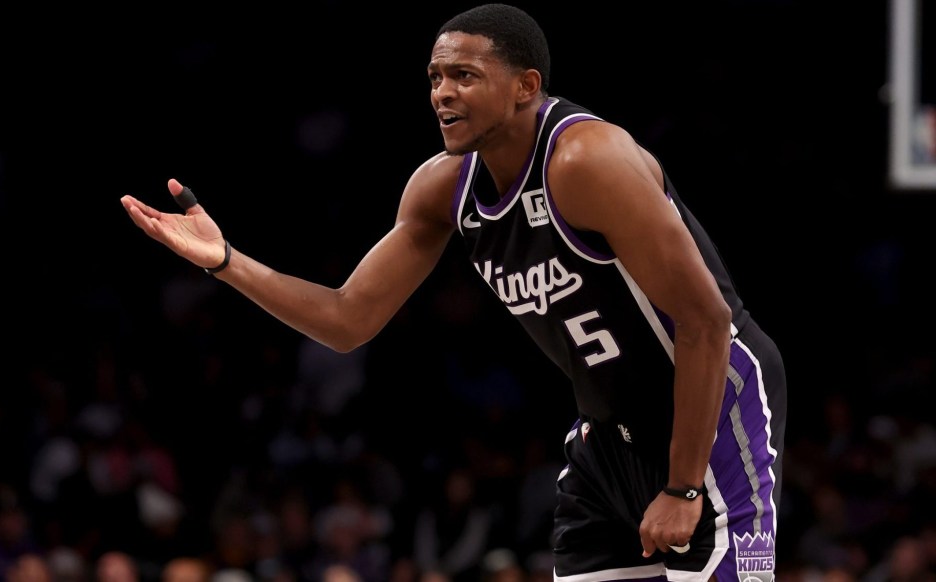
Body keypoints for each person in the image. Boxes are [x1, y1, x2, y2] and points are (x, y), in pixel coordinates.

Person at [119, 4, 787, 581]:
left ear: (526, 86)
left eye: (464, 75)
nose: (442, 92)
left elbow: (706, 321)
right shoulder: (442, 187)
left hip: (710, 410)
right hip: (606, 435)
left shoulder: (588, 161)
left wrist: (683, 483)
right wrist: (226, 261)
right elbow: (348, 320)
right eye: (435, 77)